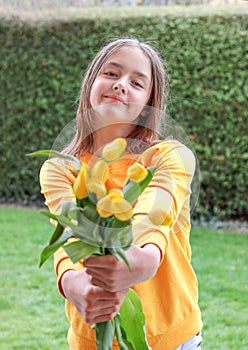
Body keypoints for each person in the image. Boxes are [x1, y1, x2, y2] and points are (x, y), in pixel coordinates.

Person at [40, 37, 203, 350]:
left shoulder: (169, 156)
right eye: (111, 74)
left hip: (171, 338)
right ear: (91, 82)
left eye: (137, 82)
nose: (120, 85)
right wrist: (73, 284)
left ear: (147, 107)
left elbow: (156, 212)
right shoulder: (60, 169)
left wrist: (143, 256)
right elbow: (68, 236)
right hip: (91, 340)